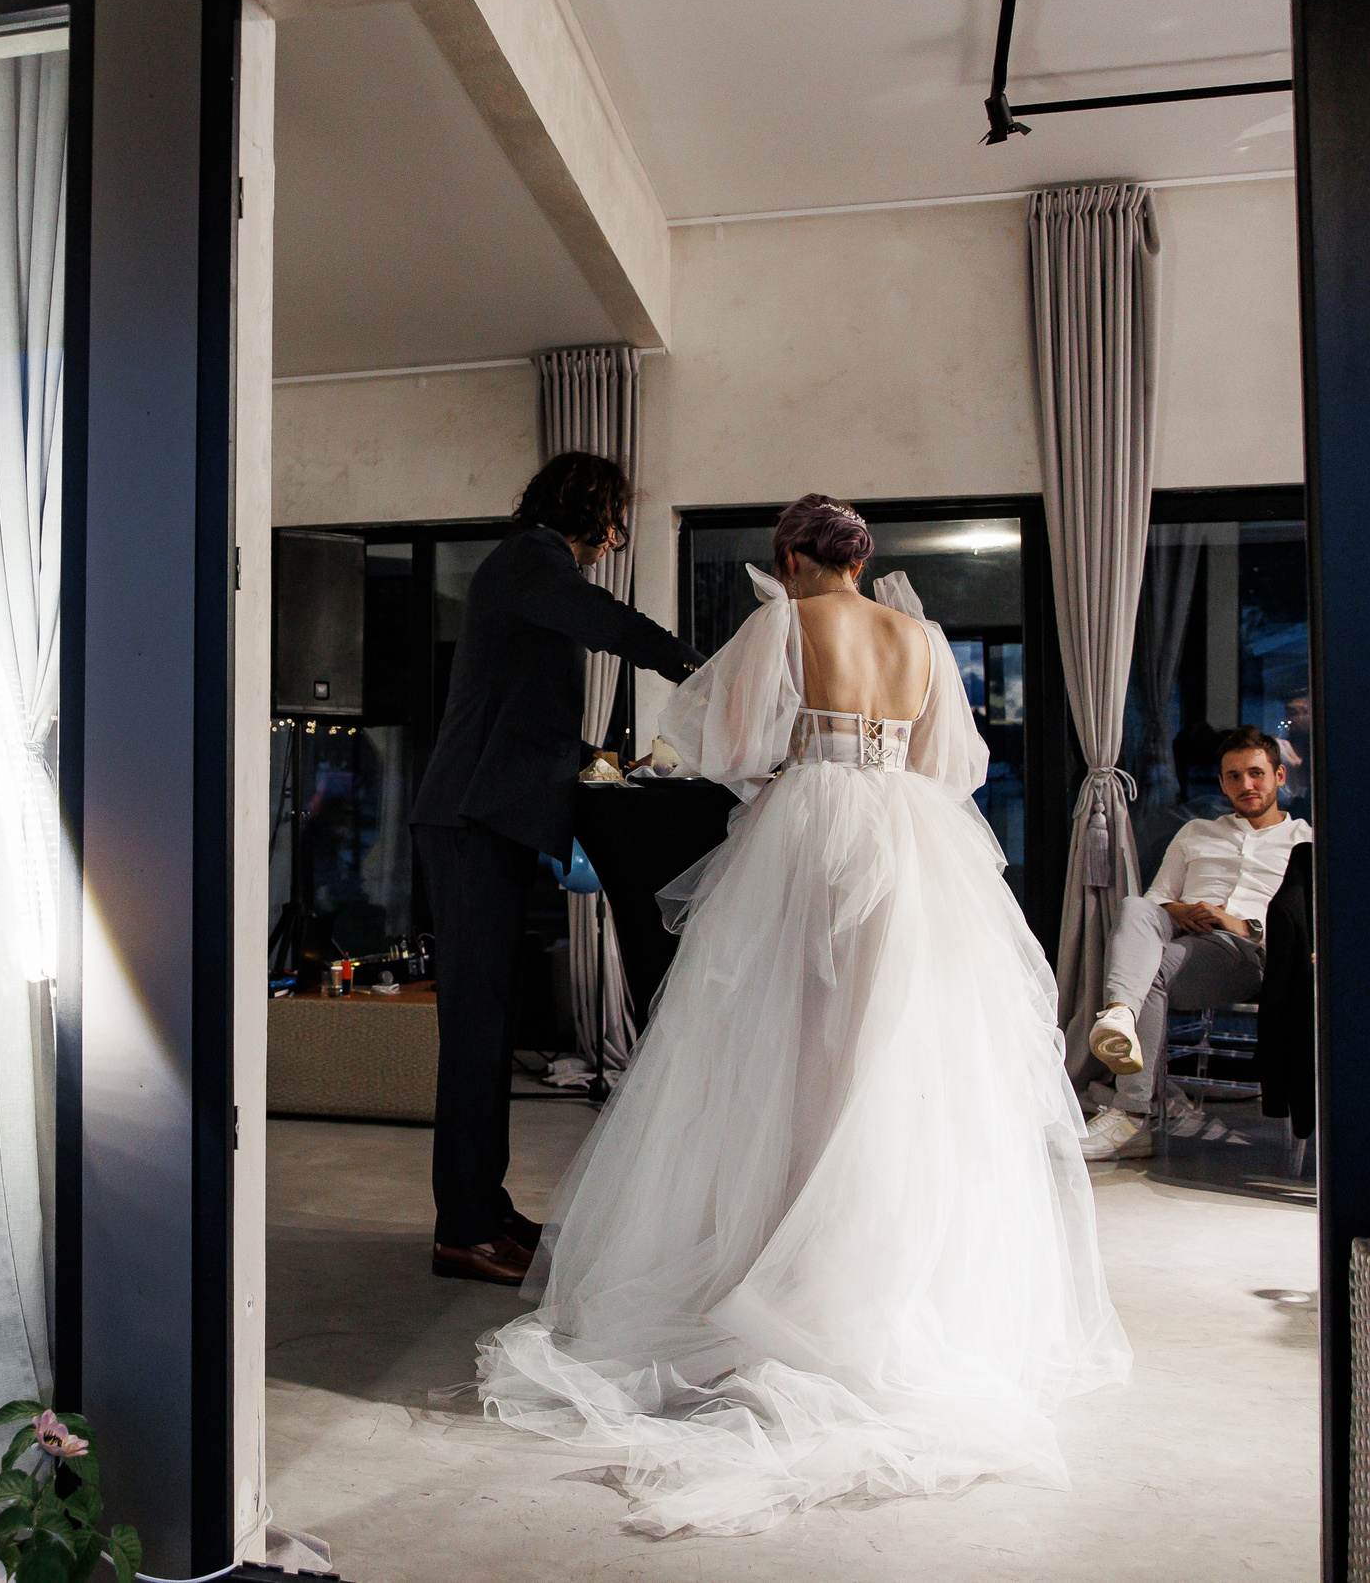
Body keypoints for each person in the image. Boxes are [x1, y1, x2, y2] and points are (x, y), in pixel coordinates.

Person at [476, 495, 1128, 1536]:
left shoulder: (782, 620)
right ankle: (865, 1263)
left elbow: (723, 740)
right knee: (885, 1056)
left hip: (813, 835)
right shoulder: (917, 635)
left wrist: (782, 772)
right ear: (861, 563)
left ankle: (778, 1246)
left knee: (776, 1051)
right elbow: (954, 766)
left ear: (790, 558)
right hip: (913, 847)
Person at [410, 452, 703, 1286]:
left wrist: (604, 762)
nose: (614, 539)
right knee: (474, 1030)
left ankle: (484, 1206)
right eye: (613, 520)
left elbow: (525, 720)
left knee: (492, 1026)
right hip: (470, 822)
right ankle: (462, 1226)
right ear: (587, 510)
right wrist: (695, 664)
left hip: (484, 817)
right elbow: (607, 621)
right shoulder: (532, 561)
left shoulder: (523, 573)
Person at [1081, 727, 1315, 1161]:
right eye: (1233, 776)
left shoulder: (1306, 841)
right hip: (1183, 936)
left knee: (1150, 970)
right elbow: (1155, 902)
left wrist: (1241, 924)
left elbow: (1308, 927)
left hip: (1251, 956)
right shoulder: (1196, 832)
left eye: (1256, 774)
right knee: (1136, 907)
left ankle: (1131, 1113)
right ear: (1222, 782)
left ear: (1279, 776)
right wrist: (1180, 911)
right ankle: (1119, 1016)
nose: (1246, 785)